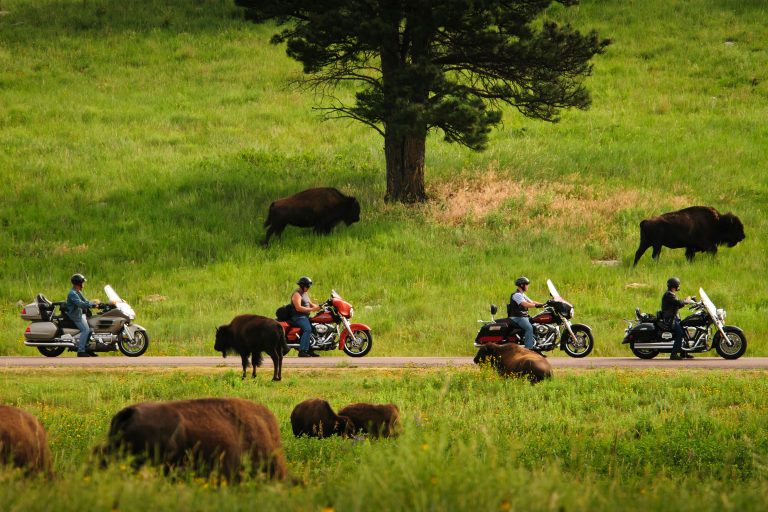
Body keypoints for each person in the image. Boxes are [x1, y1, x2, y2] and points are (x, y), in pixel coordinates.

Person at [65, 274, 100, 357]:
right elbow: (80, 304)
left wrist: (96, 303)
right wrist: (92, 305)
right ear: (78, 283)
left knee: (91, 329)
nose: (84, 284)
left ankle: (87, 348)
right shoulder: (72, 293)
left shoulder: (78, 292)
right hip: (75, 316)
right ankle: (80, 351)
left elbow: (86, 301)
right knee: (85, 330)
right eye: (82, 282)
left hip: (80, 314)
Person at [507, 276, 546, 350]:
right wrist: (537, 306)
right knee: (529, 328)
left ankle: (537, 346)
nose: (528, 286)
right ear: (522, 285)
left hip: (523, 317)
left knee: (535, 326)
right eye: (527, 284)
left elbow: (531, 302)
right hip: (517, 317)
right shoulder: (517, 295)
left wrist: (544, 304)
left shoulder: (522, 294)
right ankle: (528, 349)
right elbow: (525, 304)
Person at [661, 277, 695, 360]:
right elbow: (678, 303)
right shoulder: (669, 294)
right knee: (680, 333)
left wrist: (687, 301)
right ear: (675, 286)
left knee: (684, 331)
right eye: (678, 285)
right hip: (670, 319)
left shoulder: (670, 294)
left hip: (674, 318)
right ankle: (674, 354)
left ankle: (684, 353)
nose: (678, 286)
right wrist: (687, 301)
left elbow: (678, 303)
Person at [291, 276, 322, 358]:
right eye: (307, 286)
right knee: (307, 329)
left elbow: (310, 304)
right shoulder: (296, 294)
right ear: (302, 285)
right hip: (298, 317)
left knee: (314, 329)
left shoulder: (305, 293)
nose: (308, 288)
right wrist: (312, 309)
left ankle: (310, 350)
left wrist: (321, 307)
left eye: (309, 286)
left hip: (305, 317)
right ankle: (302, 351)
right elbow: (298, 308)